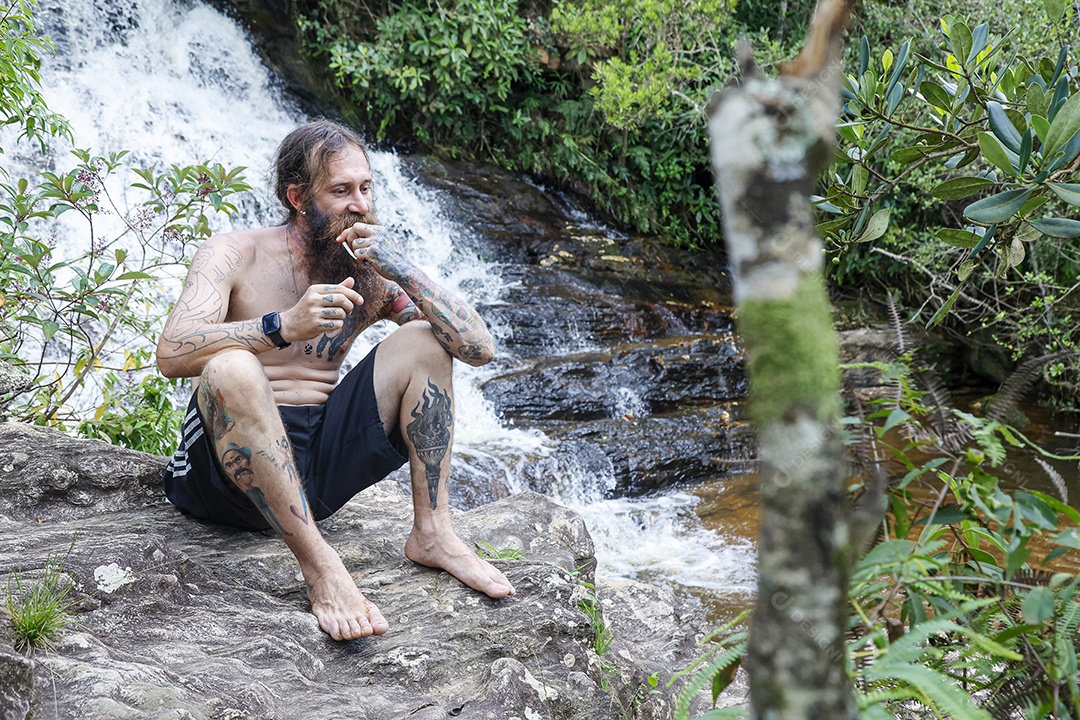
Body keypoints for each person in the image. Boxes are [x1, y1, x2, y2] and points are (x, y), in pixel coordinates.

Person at [156, 118, 515, 642]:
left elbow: (477, 348)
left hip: (314, 475)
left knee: (425, 338)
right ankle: (322, 569)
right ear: (298, 197)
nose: (361, 205)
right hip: (225, 477)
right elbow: (171, 352)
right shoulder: (233, 252)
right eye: (342, 191)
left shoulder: (368, 275)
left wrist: (402, 266)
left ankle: (434, 532)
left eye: (366, 188)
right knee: (232, 365)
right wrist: (283, 327)